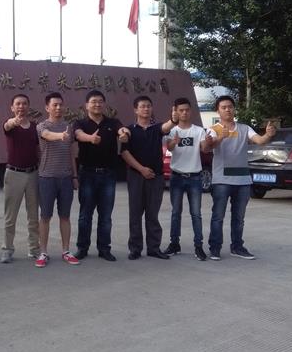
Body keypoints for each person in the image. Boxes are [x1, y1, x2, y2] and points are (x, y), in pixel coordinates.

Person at [201, 95, 277, 260]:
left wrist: (268, 134)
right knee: (218, 216)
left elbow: (260, 140)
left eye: (230, 107)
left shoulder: (244, 128)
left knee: (239, 218)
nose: (227, 110)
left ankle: (237, 247)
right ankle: (215, 248)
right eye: (223, 107)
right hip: (222, 180)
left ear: (234, 109)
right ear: (218, 111)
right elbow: (207, 148)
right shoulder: (213, 129)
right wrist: (221, 137)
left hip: (243, 180)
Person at [74, 90, 130, 262]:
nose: (97, 104)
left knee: (105, 216)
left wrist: (124, 134)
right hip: (87, 174)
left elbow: (122, 130)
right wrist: (90, 138)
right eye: (93, 101)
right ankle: (82, 248)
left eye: (100, 101)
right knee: (85, 214)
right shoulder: (80, 122)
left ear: (104, 104)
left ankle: (104, 249)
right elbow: (78, 135)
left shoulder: (113, 122)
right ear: (87, 105)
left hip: (108, 175)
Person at [121, 96, 176, 261]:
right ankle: (135, 248)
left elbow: (167, 126)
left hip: (156, 177)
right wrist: (141, 169)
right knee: (135, 214)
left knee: (153, 214)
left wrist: (174, 119)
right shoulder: (128, 130)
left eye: (149, 106)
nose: (146, 109)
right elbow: (125, 153)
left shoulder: (156, 128)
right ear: (136, 110)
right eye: (142, 106)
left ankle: (154, 248)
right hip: (136, 176)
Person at [34, 92, 80, 268]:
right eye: (55, 105)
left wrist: (74, 176)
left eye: (61, 104)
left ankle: (66, 251)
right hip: (47, 177)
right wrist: (60, 136)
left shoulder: (69, 126)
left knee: (65, 216)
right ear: (47, 107)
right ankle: (43, 252)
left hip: (66, 178)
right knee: (45, 216)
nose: (58, 107)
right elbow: (47, 135)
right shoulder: (42, 126)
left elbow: (71, 154)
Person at [162, 97, 209, 261]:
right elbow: (169, 147)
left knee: (196, 213)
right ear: (175, 111)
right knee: (176, 212)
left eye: (187, 110)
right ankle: (174, 244)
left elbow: (205, 148)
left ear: (191, 111)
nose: (184, 113)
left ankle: (199, 246)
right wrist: (174, 143)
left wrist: (208, 143)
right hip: (177, 177)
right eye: (181, 110)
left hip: (195, 177)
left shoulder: (199, 131)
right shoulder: (172, 130)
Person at [0, 93, 40, 263]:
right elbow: (7, 126)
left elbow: (38, 150)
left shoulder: (35, 127)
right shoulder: (10, 125)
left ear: (28, 106)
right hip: (14, 174)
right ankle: (7, 249)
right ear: (12, 107)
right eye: (17, 104)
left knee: (33, 215)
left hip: (33, 174)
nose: (21, 106)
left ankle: (34, 248)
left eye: (24, 103)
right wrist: (12, 122)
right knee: (10, 216)